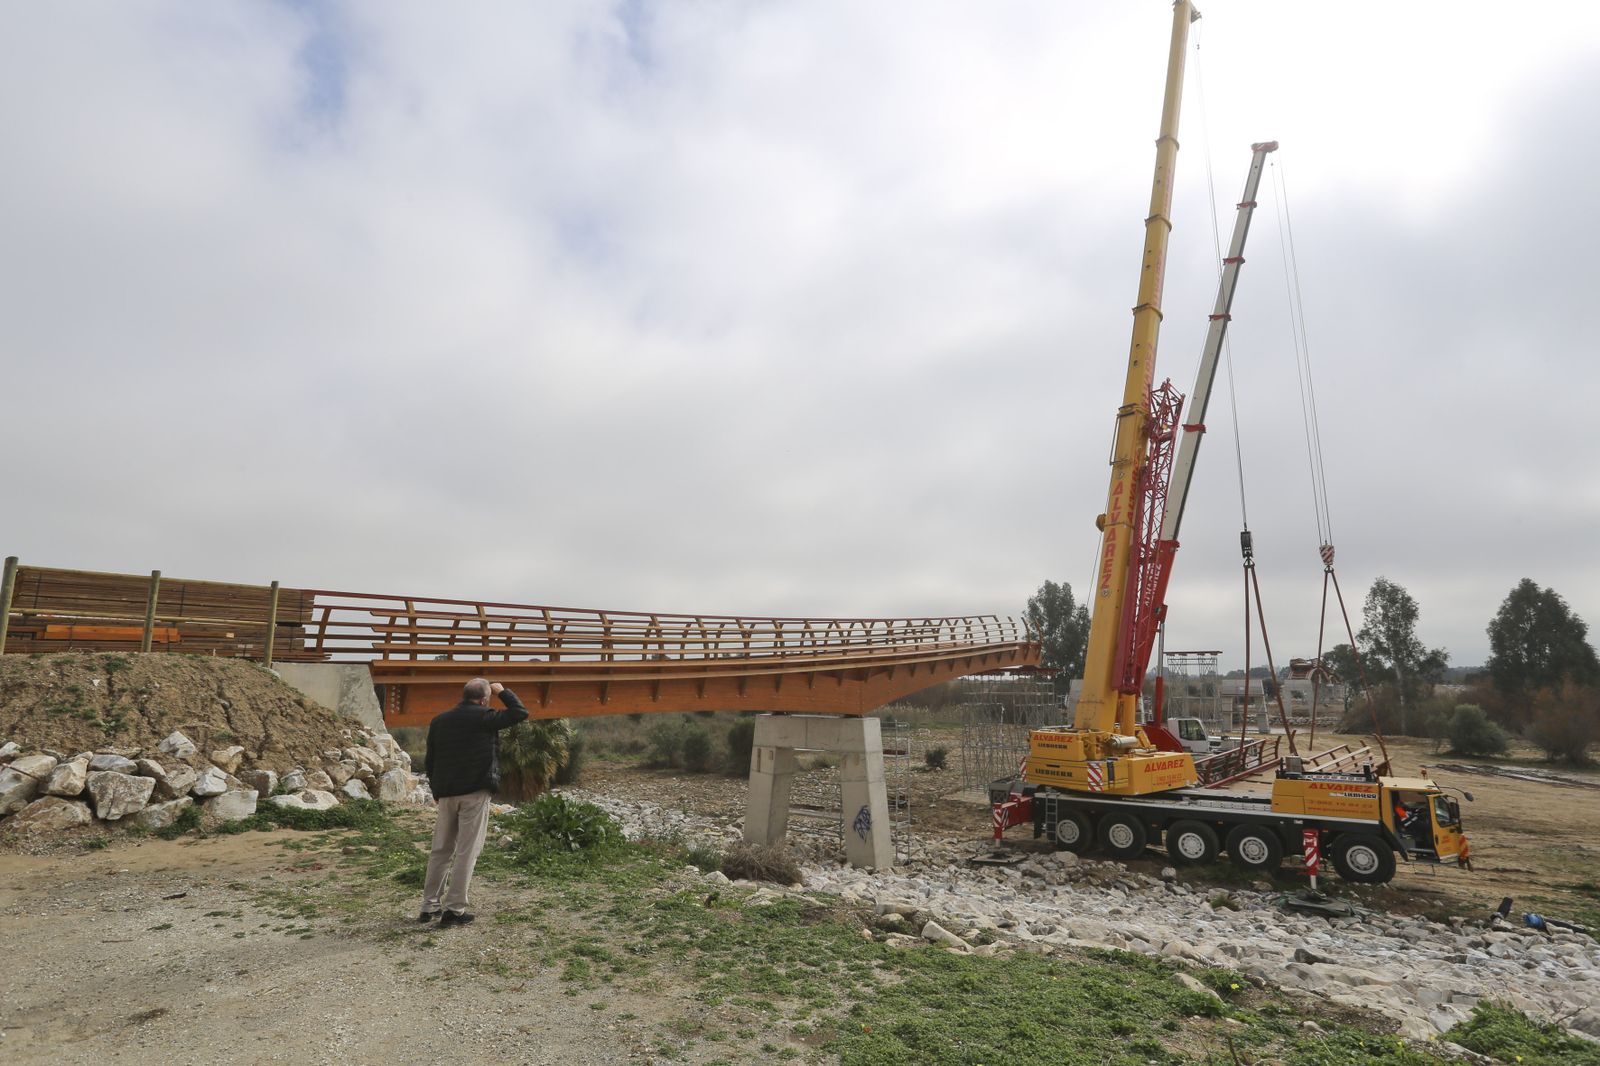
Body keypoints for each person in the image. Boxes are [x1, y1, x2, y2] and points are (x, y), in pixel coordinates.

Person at [418, 677, 528, 927]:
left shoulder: (439, 720)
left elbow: (430, 758)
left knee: (440, 850)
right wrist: (503, 692)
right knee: (467, 851)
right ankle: (454, 910)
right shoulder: (485, 717)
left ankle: (429, 906)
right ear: (484, 698)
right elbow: (520, 713)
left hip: (446, 794)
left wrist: (436, 789)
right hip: (475, 793)